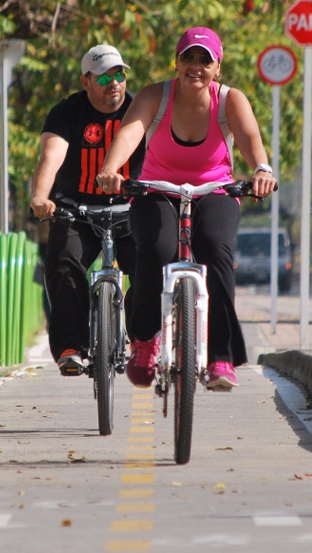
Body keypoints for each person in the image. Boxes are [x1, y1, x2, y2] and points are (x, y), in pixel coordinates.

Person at [95, 27, 277, 391]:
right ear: (176, 63)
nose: (196, 66)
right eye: (188, 58)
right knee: (157, 249)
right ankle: (145, 341)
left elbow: (250, 140)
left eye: (204, 60)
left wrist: (262, 169)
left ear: (217, 68)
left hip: (214, 188)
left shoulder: (230, 101)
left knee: (214, 247)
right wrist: (111, 169)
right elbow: (129, 134)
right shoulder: (154, 96)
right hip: (157, 188)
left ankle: (221, 357)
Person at [30, 44, 145, 376]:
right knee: (63, 261)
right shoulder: (67, 112)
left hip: (131, 207)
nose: (115, 83)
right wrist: (41, 197)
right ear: (86, 81)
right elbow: (51, 157)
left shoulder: (140, 109)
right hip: (76, 209)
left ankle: (142, 339)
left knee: (150, 264)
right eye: (105, 76)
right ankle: (72, 346)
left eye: (120, 74)